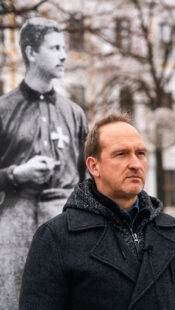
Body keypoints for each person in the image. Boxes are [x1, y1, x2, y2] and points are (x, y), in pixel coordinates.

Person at [19, 113, 175, 310]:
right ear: (94, 166)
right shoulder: (55, 237)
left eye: (141, 153)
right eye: (121, 154)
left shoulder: (171, 231)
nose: (135, 164)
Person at [0, 17, 89, 309]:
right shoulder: (3, 110)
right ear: (31, 52)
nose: (64, 54)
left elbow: (87, 179)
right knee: (13, 299)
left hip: (65, 220)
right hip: (14, 224)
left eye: (64, 46)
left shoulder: (74, 113)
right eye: (54, 47)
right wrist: (16, 174)